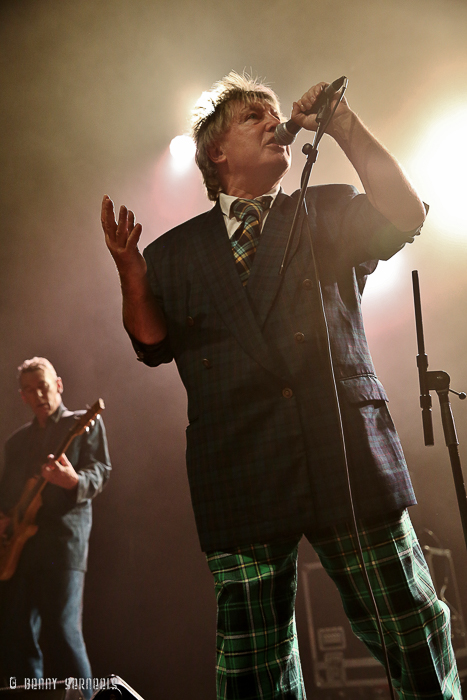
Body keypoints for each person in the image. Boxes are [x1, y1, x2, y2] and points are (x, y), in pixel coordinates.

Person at [101, 72, 461, 699]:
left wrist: (342, 123)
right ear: (217, 151)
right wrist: (132, 273)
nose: (275, 124)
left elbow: (405, 214)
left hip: (341, 449)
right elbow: (151, 343)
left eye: (276, 116)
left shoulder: (322, 208)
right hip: (238, 462)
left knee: (411, 629)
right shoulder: (176, 252)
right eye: (253, 118)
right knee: (254, 667)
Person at [0, 357, 111, 699]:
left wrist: (73, 480)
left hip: (63, 544)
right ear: (22, 397)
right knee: (17, 635)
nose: (38, 395)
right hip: (20, 548)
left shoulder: (82, 423)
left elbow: (101, 471)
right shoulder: (16, 442)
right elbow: (6, 493)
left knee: (63, 632)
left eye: (43, 386)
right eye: (29, 390)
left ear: (58, 384)